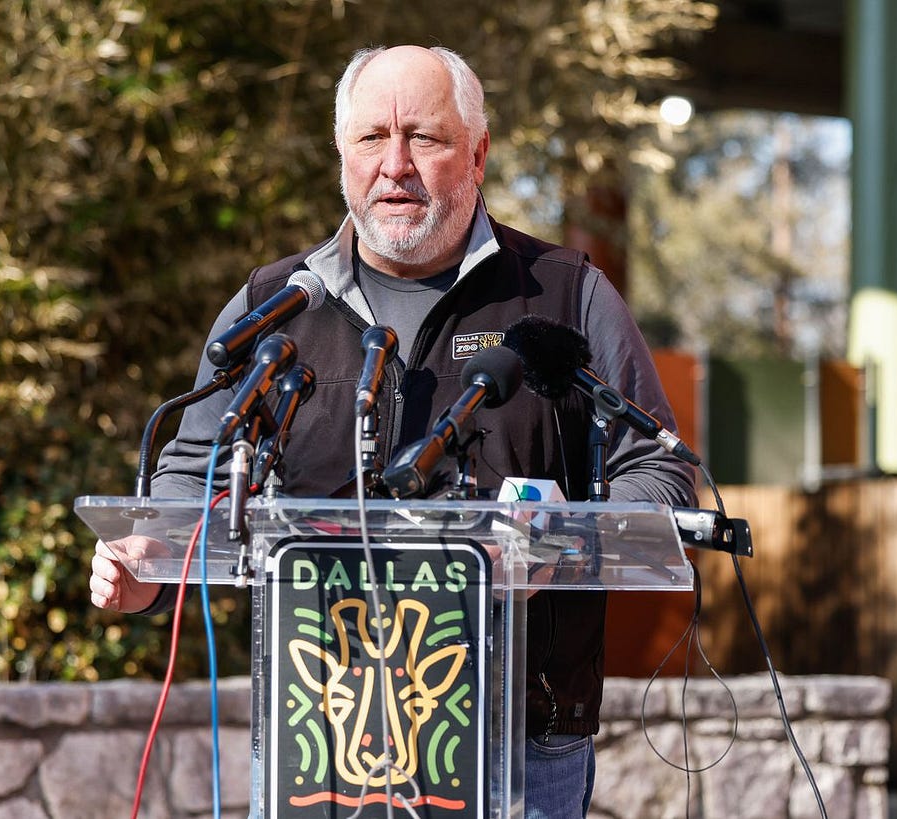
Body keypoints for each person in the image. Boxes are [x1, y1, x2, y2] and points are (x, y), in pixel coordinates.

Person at [89, 44, 697, 818]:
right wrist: (150, 557)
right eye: (373, 137)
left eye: (426, 138)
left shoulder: (564, 295)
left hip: (522, 741)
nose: (396, 164)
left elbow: (659, 469)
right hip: (317, 733)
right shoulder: (276, 306)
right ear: (342, 154)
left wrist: (560, 536)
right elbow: (191, 470)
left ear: (477, 155)